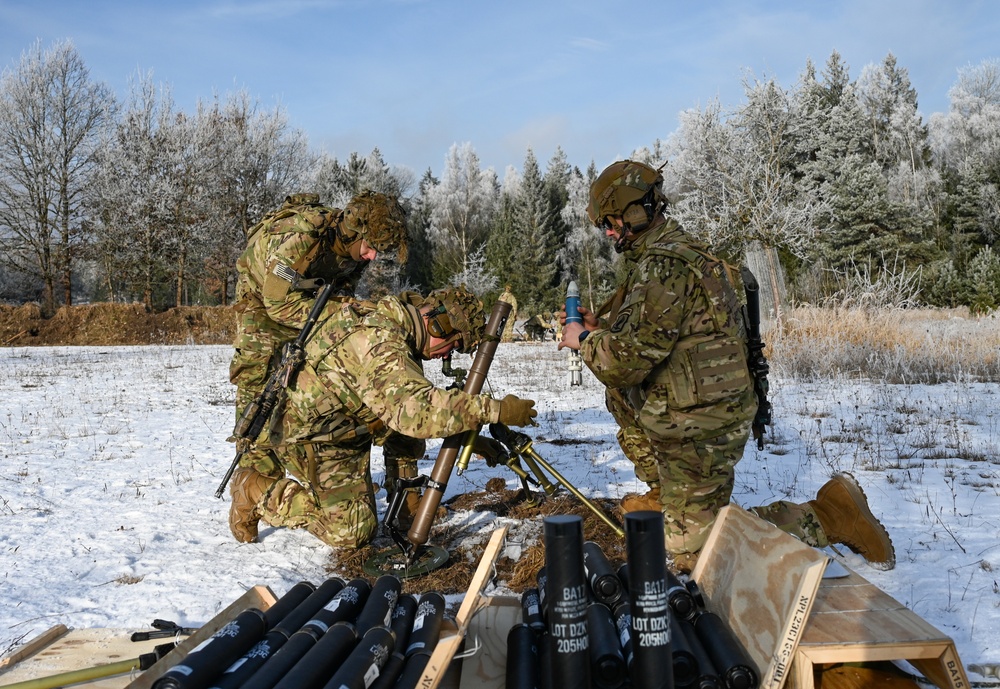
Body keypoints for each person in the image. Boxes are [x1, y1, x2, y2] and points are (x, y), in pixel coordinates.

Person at [559, 160, 894, 573]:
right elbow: (661, 337)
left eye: (610, 223)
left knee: (700, 556)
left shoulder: (665, 266)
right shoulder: (669, 257)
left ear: (633, 212)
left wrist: (585, 340)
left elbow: (627, 362)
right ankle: (671, 497)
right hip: (692, 416)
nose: (609, 233)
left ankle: (830, 514)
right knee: (678, 524)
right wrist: (603, 328)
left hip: (702, 427)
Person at [233, 285, 537, 549]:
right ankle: (254, 489)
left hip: (350, 423)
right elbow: (412, 412)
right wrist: (493, 410)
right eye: (454, 345)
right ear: (439, 325)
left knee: (407, 429)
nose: (447, 355)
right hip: (311, 436)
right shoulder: (380, 339)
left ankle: (406, 502)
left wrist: (472, 438)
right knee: (352, 531)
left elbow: (407, 412)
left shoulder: (400, 326)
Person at [228, 190, 408, 543]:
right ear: (354, 228)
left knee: (304, 382)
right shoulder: (301, 237)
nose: (371, 257)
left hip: (310, 309)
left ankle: (306, 467)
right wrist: (338, 318)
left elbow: (340, 299)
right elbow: (277, 303)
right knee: (258, 390)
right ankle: (251, 488)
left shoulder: (356, 253)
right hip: (262, 308)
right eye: (370, 246)